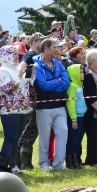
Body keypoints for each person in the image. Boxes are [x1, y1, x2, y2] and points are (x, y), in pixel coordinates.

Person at [34, 38, 71, 171]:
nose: (57, 49)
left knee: (63, 132)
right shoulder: (37, 65)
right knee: (44, 135)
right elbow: (43, 85)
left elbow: (66, 82)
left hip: (60, 105)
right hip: (44, 107)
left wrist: (53, 84)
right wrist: (57, 81)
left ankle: (58, 164)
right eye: (54, 47)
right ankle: (44, 163)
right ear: (46, 49)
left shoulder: (58, 63)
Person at [0, 45, 33, 172]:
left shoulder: (17, 69)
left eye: (17, 54)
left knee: (16, 138)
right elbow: (7, 88)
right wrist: (19, 75)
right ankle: (4, 166)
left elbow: (25, 85)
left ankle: (13, 165)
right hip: (10, 110)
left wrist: (30, 75)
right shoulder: (2, 71)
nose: (17, 56)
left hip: (23, 109)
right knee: (10, 138)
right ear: (6, 56)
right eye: (14, 54)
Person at [64, 47, 86, 169]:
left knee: (77, 140)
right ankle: (70, 161)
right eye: (80, 72)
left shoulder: (79, 85)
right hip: (75, 117)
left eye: (82, 72)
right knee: (72, 140)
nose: (82, 74)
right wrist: (73, 119)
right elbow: (71, 104)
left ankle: (75, 160)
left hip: (81, 115)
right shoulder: (73, 86)